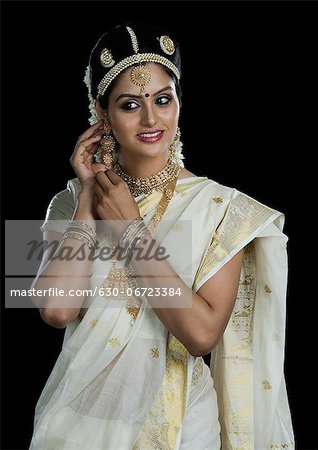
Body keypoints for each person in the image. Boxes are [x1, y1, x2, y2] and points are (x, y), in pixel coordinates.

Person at [29, 22, 294, 449]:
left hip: (182, 427)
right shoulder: (70, 201)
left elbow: (201, 334)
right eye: (130, 104)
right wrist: (88, 200)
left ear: (178, 104)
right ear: (102, 114)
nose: (151, 119)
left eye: (163, 100)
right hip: (78, 420)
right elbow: (56, 311)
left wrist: (131, 231)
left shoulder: (222, 208)